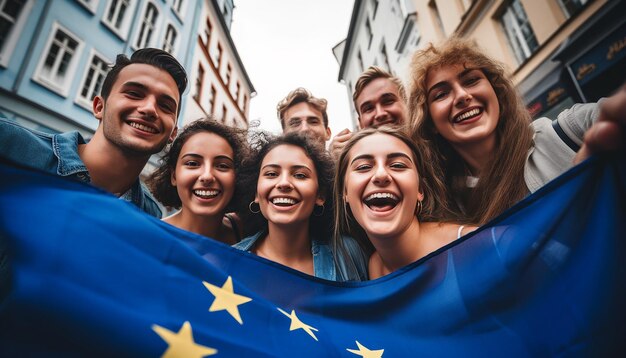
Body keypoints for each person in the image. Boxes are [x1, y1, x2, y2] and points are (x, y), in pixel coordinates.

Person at [407, 37, 625, 225]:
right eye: (441, 94)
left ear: (496, 91)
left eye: (471, 80)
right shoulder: (448, 211)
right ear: (431, 122)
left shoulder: (568, 132)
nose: (462, 95)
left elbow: (607, 114)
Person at [0, 48, 188, 218]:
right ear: (99, 106)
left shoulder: (149, 215)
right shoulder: (9, 146)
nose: (149, 109)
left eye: (165, 106)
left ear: (173, 133)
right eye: (134, 94)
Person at [333, 127, 475, 280]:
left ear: (420, 189)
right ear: (344, 192)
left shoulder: (473, 245)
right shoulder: (374, 266)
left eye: (398, 165)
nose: (381, 175)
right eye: (364, 167)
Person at [234, 132, 366, 281]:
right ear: (256, 193)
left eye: (300, 175)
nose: (284, 183)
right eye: (271, 174)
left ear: (320, 195)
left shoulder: (348, 253)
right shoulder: (227, 263)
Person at [147, 119, 246, 244]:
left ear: (238, 177)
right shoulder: (149, 240)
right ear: (174, 176)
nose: (207, 176)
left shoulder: (247, 233)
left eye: (222, 165)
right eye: (192, 163)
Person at [330, 66, 408, 159]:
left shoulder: (429, 144)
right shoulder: (354, 165)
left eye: (388, 101)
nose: (380, 114)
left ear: (407, 104)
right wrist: (336, 164)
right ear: (360, 123)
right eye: (369, 108)